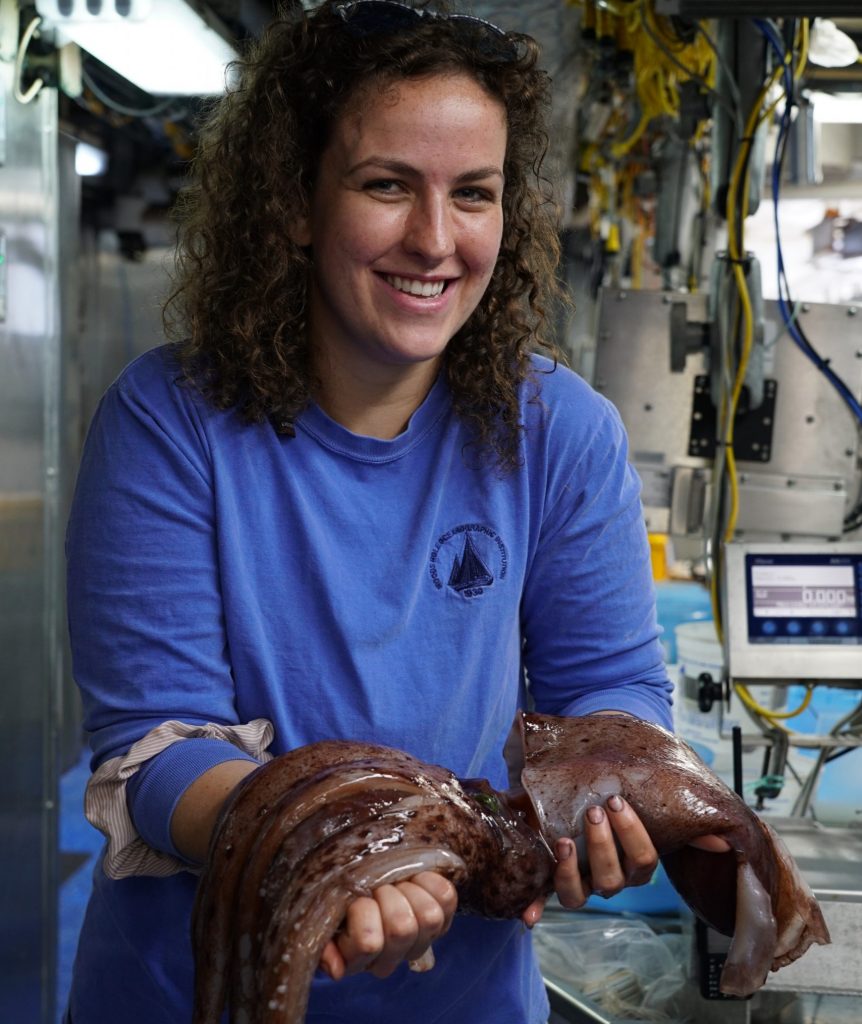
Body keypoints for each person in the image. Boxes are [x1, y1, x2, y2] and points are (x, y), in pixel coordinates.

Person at [64, 2, 728, 1022]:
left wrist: (614, 786)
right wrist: (337, 849)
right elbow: (157, 744)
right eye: (386, 186)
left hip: (462, 997)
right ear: (294, 201)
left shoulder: (560, 431)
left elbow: (609, 685)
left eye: (474, 194)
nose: (434, 239)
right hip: (195, 988)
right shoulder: (168, 420)